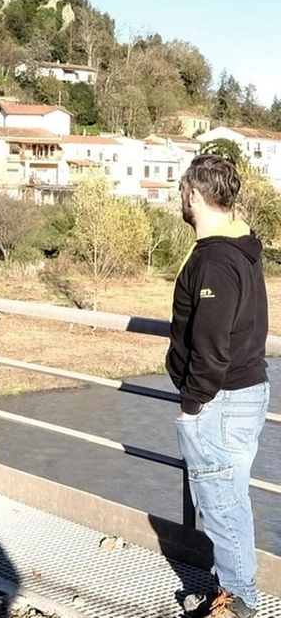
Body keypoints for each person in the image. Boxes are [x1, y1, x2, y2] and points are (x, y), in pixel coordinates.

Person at [167, 155, 270, 618]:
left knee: (220, 501)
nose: (179, 197)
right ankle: (231, 586)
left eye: (181, 189)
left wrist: (192, 405)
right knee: (230, 498)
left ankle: (239, 600)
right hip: (243, 392)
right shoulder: (239, 247)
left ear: (194, 194)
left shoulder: (214, 260)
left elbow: (211, 346)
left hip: (221, 398)